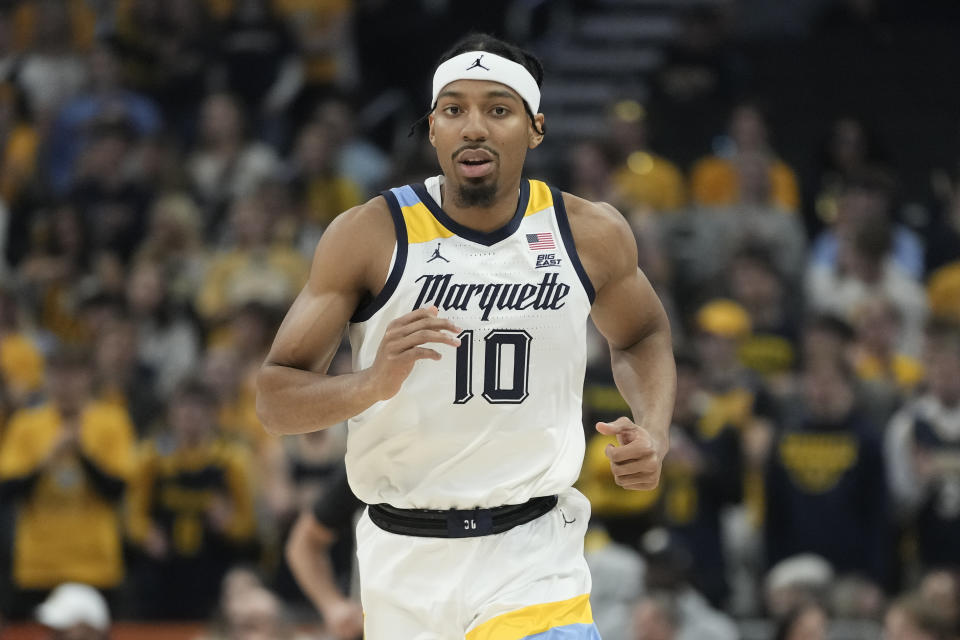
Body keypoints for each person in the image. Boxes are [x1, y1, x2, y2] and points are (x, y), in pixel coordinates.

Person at [256, 33, 676, 639]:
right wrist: (369, 384)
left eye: (497, 110)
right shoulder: (370, 234)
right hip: (402, 561)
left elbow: (642, 333)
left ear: (535, 128)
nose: (473, 127)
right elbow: (274, 399)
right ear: (432, 129)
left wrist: (655, 430)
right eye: (454, 109)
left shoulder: (588, 232)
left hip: (534, 555)